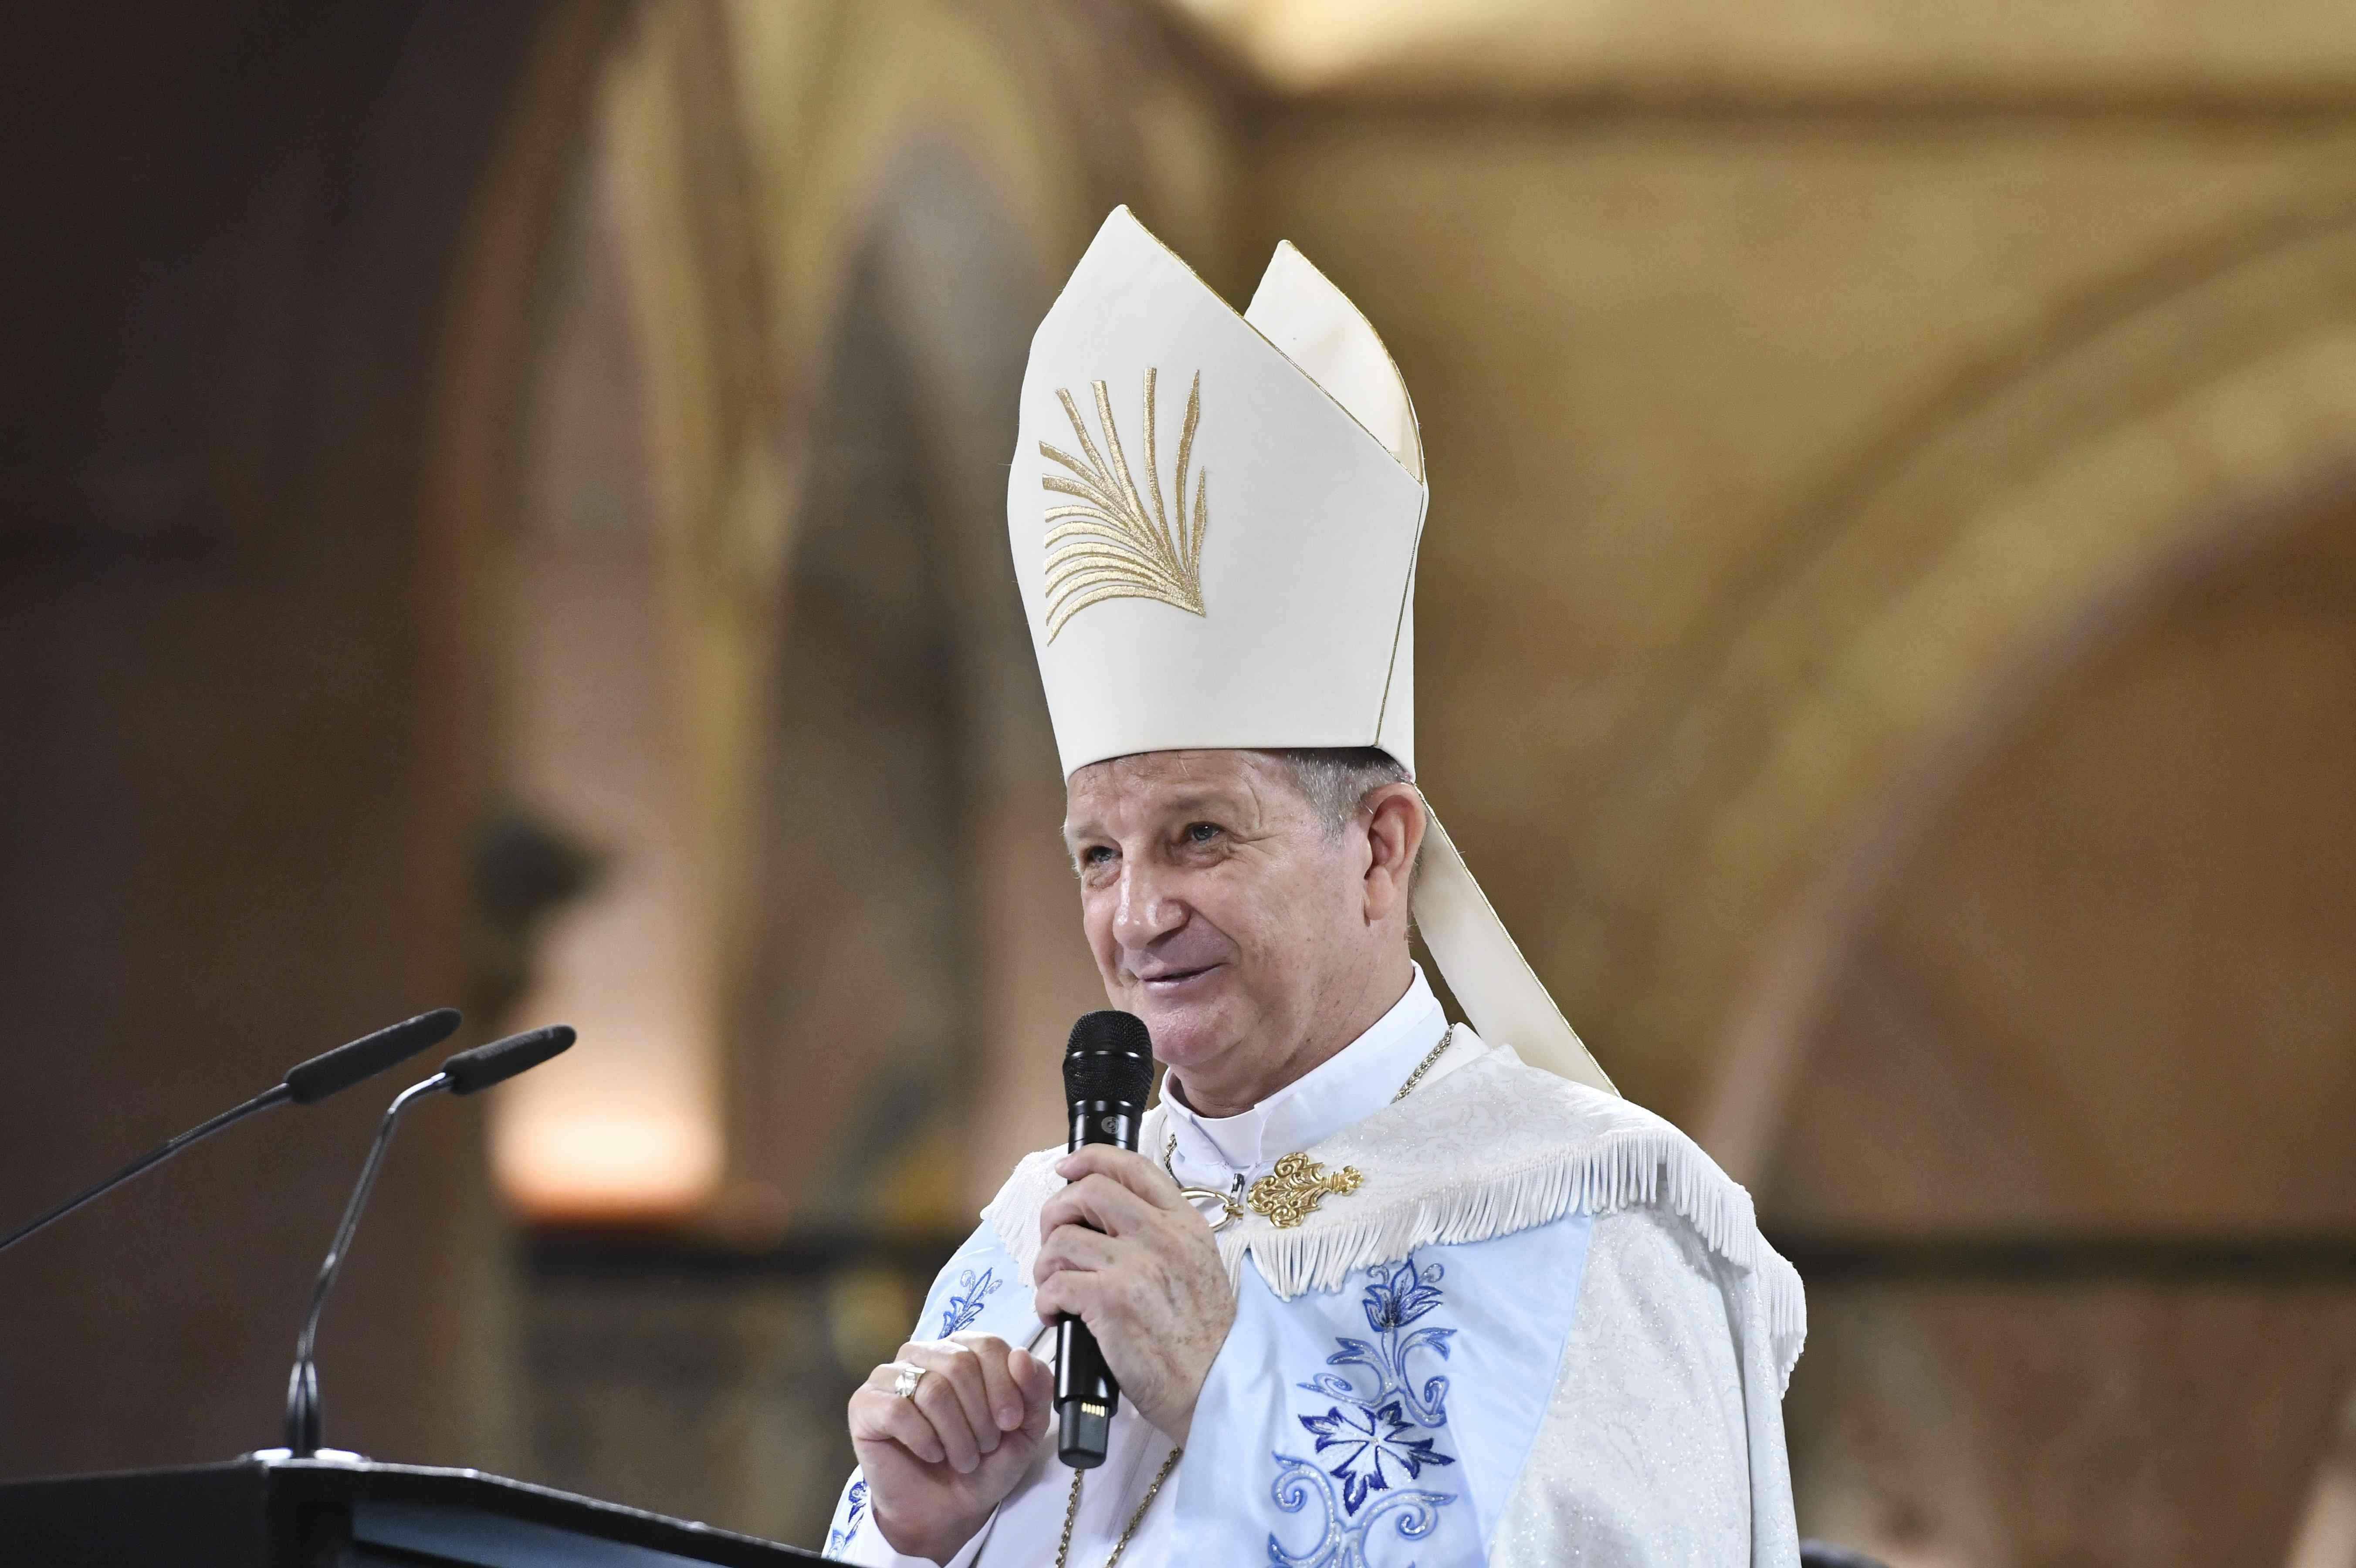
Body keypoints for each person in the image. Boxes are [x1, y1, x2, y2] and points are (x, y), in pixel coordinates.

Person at [822, 208, 1804, 1567]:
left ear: (1382, 848)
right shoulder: (1028, 1231)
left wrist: (1234, 1385)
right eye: (1098, 854)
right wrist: (920, 1537)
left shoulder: (1596, 1219)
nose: (1135, 914)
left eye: (1202, 837)